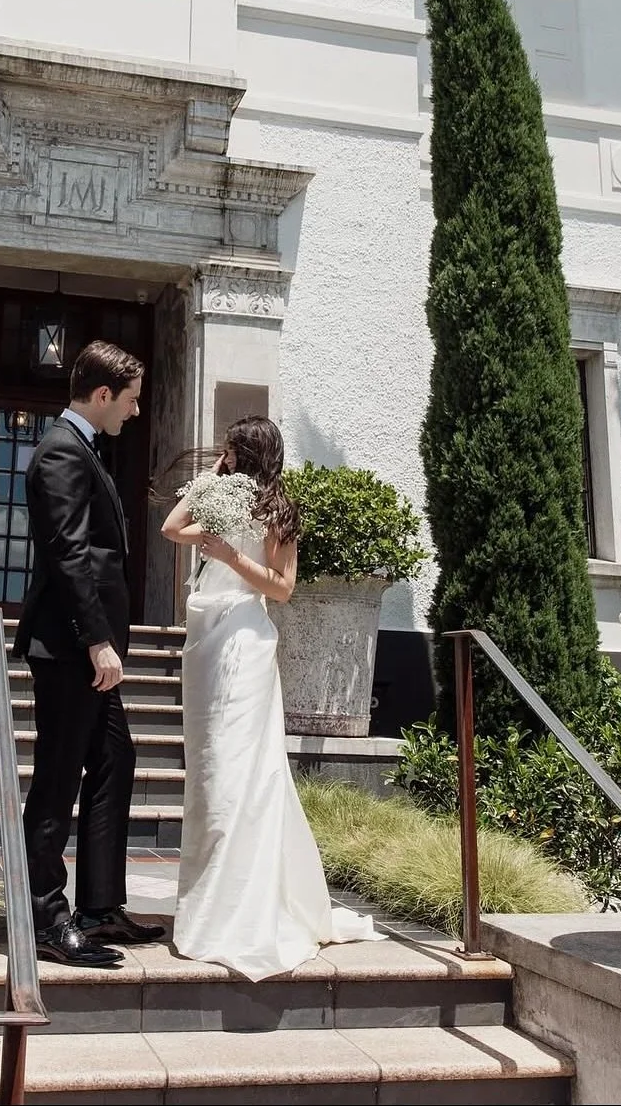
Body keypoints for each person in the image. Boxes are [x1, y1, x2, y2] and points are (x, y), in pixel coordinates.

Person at [162, 417, 384, 981]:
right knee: (210, 769)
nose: (226, 457)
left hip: (244, 640)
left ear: (251, 452)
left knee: (241, 770)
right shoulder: (221, 496)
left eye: (232, 451)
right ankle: (210, 896)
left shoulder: (280, 512)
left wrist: (232, 557)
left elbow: (283, 588)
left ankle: (241, 905)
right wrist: (211, 484)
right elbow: (171, 527)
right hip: (205, 640)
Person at [16, 339, 166, 966]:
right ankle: (48, 919)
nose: (134, 413)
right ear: (103, 395)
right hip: (72, 648)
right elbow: (69, 552)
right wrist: (98, 639)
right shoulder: (59, 452)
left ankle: (100, 907)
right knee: (57, 779)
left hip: (90, 649)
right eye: (130, 401)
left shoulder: (85, 449)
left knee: (115, 761)